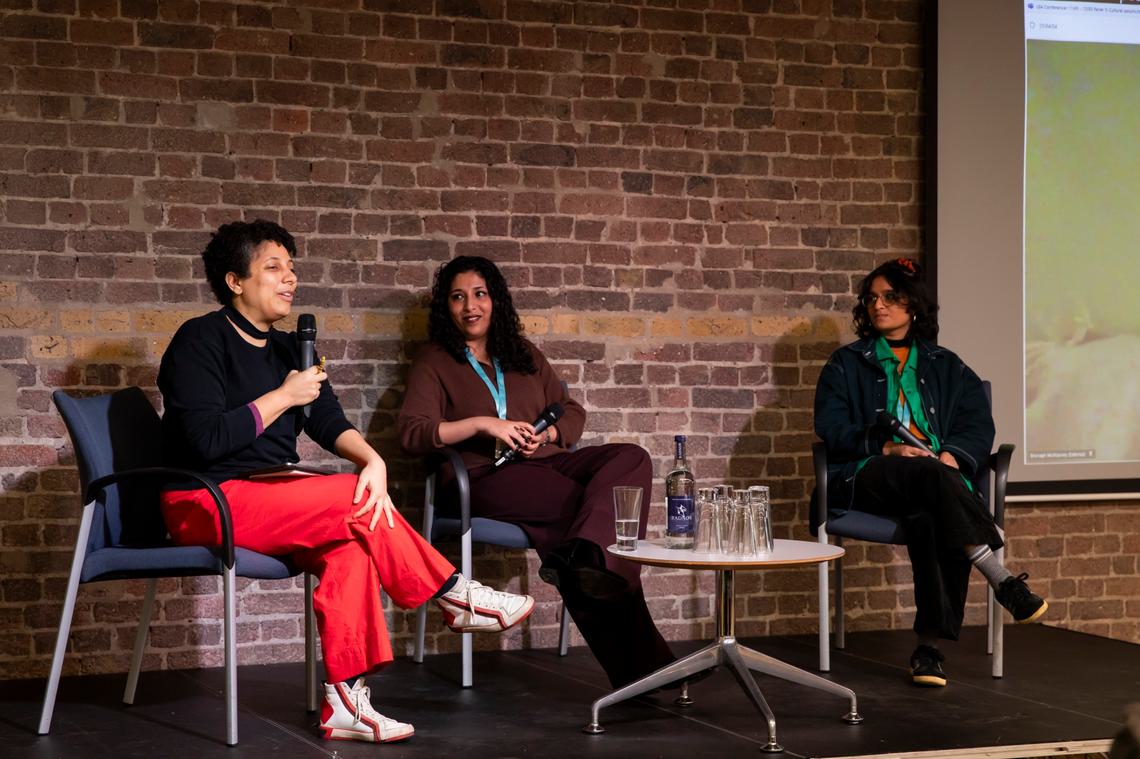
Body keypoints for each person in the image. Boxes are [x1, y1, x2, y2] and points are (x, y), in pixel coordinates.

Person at [158, 221, 535, 744]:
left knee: (350, 547)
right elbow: (203, 440)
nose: (289, 278)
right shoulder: (200, 340)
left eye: (291, 267)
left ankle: (345, 700)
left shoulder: (294, 350)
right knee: (346, 495)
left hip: (271, 493)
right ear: (235, 280)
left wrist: (372, 461)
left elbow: (329, 420)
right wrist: (285, 397)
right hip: (203, 498)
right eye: (274, 267)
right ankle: (452, 593)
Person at [397, 255, 677, 689]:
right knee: (581, 516)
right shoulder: (434, 361)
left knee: (631, 457)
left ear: (496, 301)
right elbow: (413, 433)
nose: (470, 305)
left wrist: (544, 437)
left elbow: (572, 413)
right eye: (457, 297)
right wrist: (484, 425)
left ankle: (585, 559)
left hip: (544, 463)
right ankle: (645, 666)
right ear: (445, 307)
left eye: (479, 294)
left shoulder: (524, 354)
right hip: (481, 477)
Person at [813, 258, 1048, 687]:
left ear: (914, 305)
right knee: (930, 480)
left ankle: (928, 651)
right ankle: (1001, 578)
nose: (878, 306)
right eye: (872, 298)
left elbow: (977, 423)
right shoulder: (845, 364)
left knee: (930, 513)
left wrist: (953, 456)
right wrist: (885, 446)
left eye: (890, 297)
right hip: (866, 477)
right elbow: (831, 429)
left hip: (935, 481)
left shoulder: (947, 364)